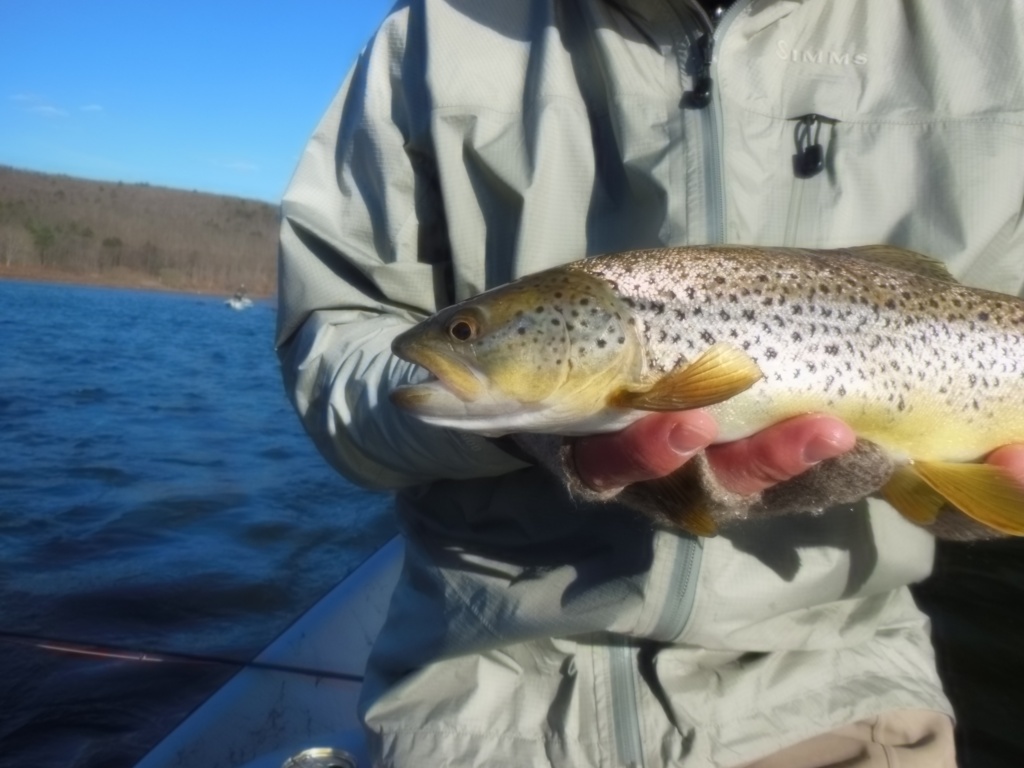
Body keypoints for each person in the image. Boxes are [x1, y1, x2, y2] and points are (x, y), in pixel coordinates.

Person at [276, 1, 1024, 765]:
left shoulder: (997, 32)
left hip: (842, 692)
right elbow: (339, 344)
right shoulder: (434, 34)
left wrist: (961, 494)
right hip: (483, 697)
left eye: (466, 332)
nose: (443, 346)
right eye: (467, 332)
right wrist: (524, 432)